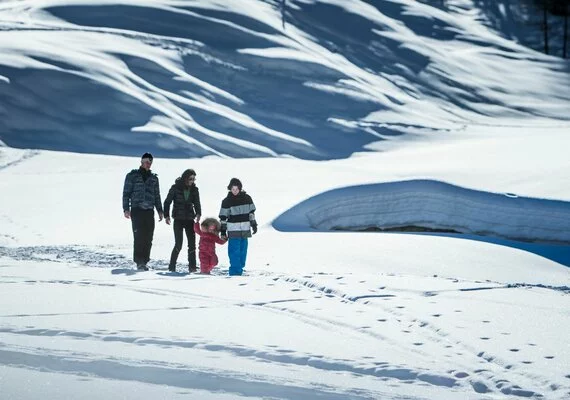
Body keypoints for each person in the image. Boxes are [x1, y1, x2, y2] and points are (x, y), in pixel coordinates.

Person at [122, 152, 164, 270]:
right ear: (141, 161)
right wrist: (126, 209)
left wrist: (160, 210)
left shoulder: (154, 178)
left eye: (150, 162)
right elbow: (126, 193)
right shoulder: (132, 176)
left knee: (148, 237)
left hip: (149, 211)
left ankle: (145, 261)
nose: (148, 164)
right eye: (146, 162)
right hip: (137, 210)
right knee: (139, 236)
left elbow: (157, 195)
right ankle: (139, 262)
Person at [163, 169, 201, 273]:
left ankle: (192, 267)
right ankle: (172, 266)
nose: (192, 181)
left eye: (193, 179)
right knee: (178, 244)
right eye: (190, 178)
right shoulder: (175, 188)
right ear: (185, 178)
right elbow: (167, 202)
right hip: (178, 220)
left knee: (192, 244)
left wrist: (198, 213)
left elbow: (197, 203)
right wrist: (166, 215)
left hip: (189, 219)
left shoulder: (194, 189)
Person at [218, 178, 257, 276]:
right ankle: (235, 273)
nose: (234, 191)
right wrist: (223, 231)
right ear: (230, 189)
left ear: (240, 188)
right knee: (234, 251)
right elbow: (223, 218)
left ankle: (239, 269)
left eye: (236, 189)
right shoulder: (226, 201)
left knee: (243, 251)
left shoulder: (247, 198)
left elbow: (251, 213)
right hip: (233, 229)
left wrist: (253, 224)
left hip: (245, 228)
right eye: (233, 189)